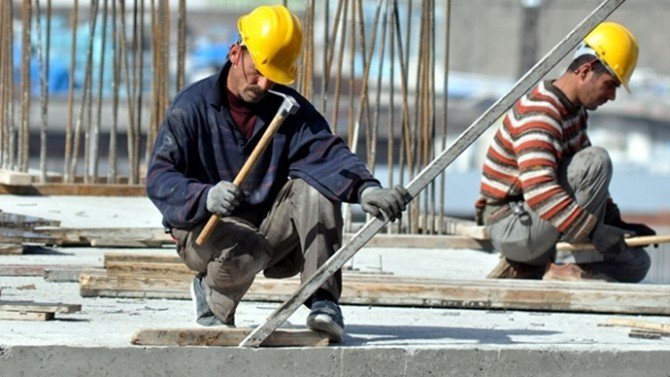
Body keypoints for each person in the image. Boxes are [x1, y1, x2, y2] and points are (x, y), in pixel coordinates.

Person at [145, 5, 408, 343]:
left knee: (316, 190)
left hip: (267, 230)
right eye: (257, 70)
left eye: (274, 76)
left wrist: (365, 190)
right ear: (236, 53)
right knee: (245, 248)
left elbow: (326, 154)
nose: (264, 82)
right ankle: (210, 291)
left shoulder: (287, 107)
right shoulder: (191, 108)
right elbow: (160, 177)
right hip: (203, 233)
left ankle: (323, 299)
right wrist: (204, 195)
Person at [475, 22, 655, 282]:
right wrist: (596, 233)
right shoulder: (541, 112)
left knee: (637, 264)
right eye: (610, 84)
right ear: (585, 71)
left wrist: (617, 223)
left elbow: (588, 186)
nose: (612, 96)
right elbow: (539, 192)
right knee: (596, 160)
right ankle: (563, 264)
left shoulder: (575, 111)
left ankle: (554, 269)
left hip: (546, 225)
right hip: (514, 226)